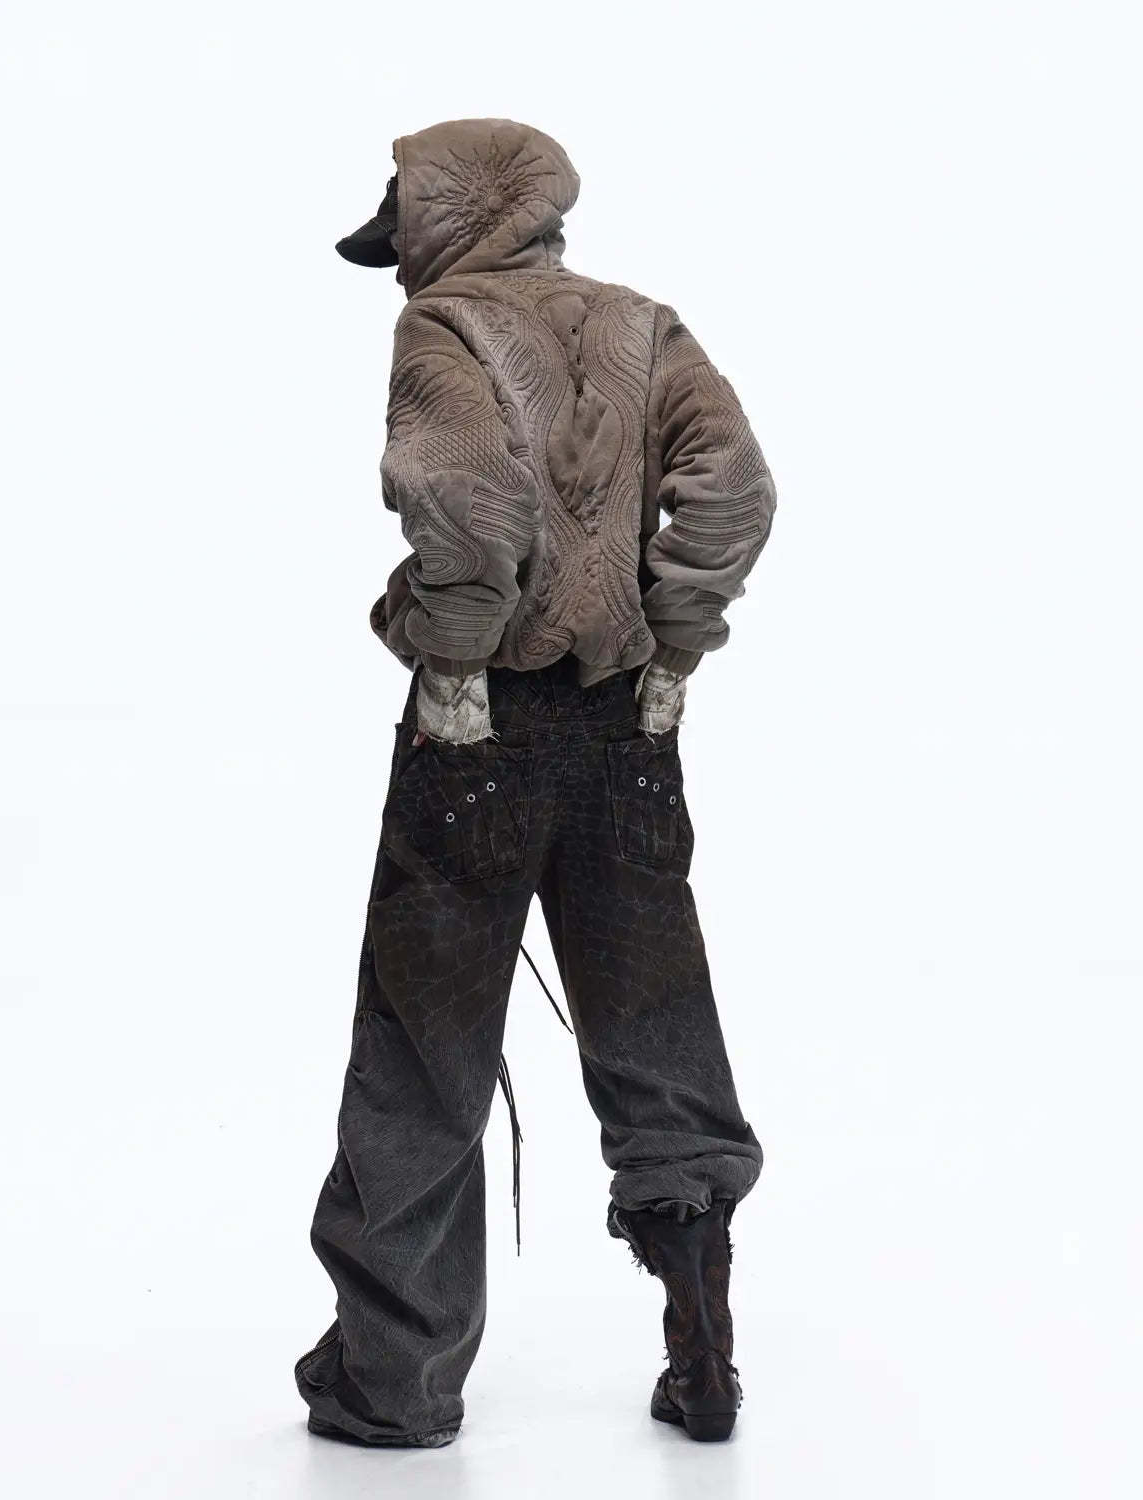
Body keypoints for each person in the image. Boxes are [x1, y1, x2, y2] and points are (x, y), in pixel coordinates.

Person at [294, 118, 777, 1448]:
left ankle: (393, 1387)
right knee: (659, 1031)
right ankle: (704, 1351)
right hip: (628, 732)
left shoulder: (443, 329)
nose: (400, 266)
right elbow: (736, 486)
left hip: (480, 734)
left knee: (423, 1055)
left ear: (447, 224)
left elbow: (465, 506)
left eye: (404, 238)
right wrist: (673, 643)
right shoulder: (643, 326)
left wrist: (454, 658)